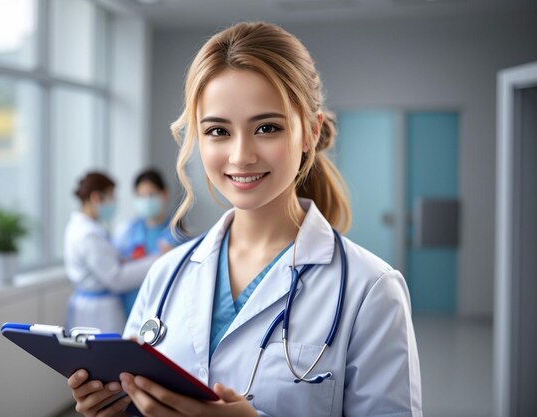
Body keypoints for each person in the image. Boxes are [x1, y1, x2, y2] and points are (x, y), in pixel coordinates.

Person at [67, 22, 422, 417]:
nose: (241, 155)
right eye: (218, 131)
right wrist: (115, 409)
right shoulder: (166, 275)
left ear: (310, 132)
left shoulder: (370, 290)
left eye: (267, 128)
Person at [64, 171, 159, 333]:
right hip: (98, 313)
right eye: (111, 197)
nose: (114, 203)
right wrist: (157, 260)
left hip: (93, 307)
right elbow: (117, 278)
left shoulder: (84, 228)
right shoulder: (88, 234)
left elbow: (108, 264)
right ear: (96, 198)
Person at [113, 168, 184, 318]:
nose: (146, 200)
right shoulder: (127, 231)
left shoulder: (177, 234)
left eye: (151, 195)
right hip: (130, 307)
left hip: (163, 308)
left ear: (164, 194)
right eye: (141, 196)